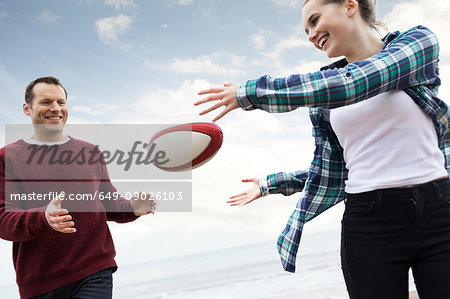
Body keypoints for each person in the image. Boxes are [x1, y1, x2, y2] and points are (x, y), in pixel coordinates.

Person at [195, 0, 450, 298]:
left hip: (439, 212)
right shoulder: (324, 100)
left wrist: (251, 91)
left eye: (315, 21)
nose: (311, 35)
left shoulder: (416, 45)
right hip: (370, 222)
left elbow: (353, 83)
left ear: (350, 6)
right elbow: (336, 169)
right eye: (306, 30)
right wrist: (269, 184)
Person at [0, 76, 156, 299]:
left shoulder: (90, 152)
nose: (56, 108)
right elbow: (4, 221)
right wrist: (44, 218)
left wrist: (133, 207)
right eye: (46, 102)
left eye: (61, 102)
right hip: (39, 282)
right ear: (27, 109)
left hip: (94, 271)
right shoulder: (7, 157)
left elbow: (109, 204)